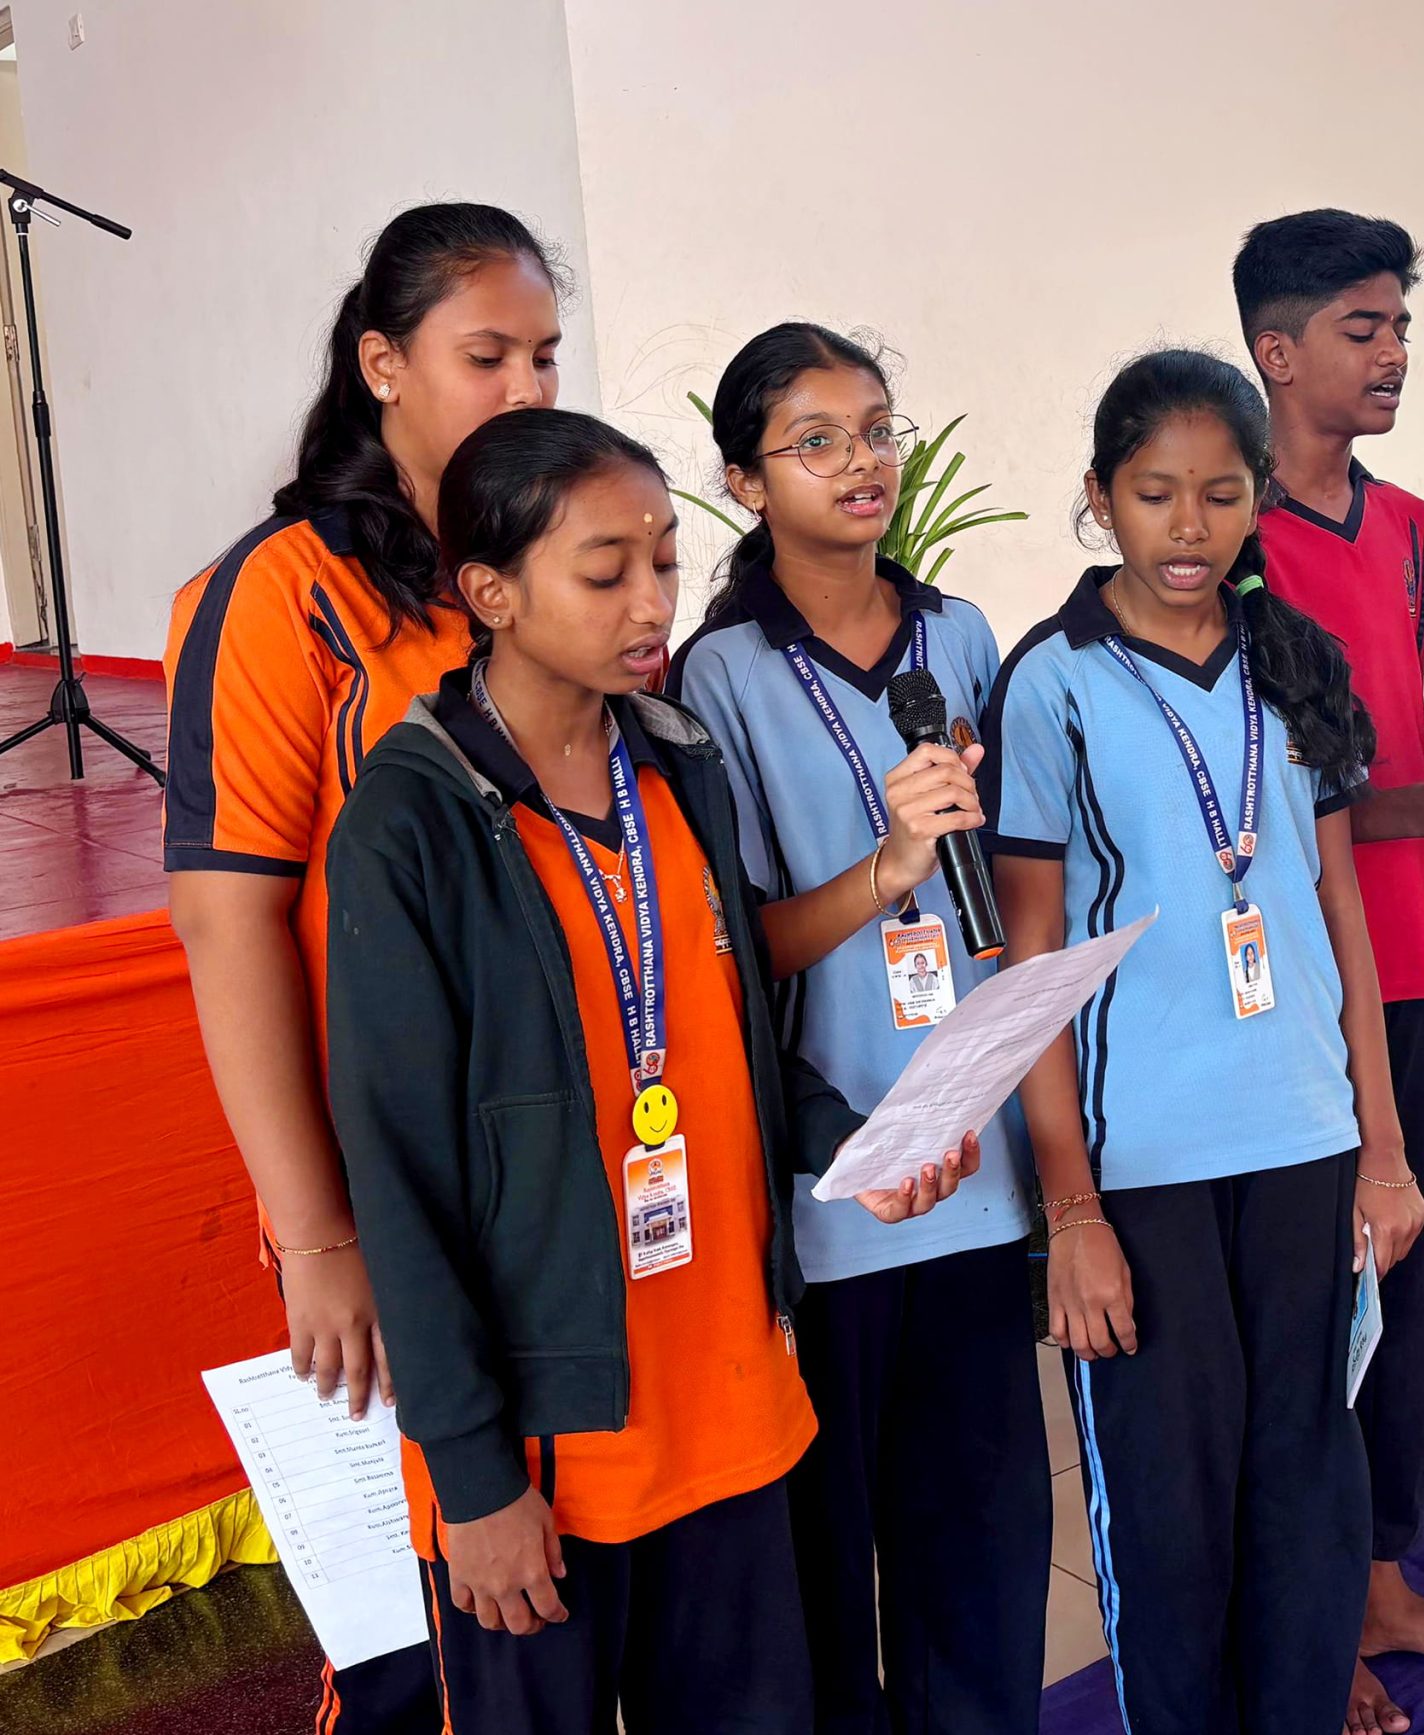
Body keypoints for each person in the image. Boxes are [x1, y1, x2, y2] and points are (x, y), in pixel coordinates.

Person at [326, 409, 967, 1731]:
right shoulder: (412, 819)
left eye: (666, 561)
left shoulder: (674, 763)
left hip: (731, 1400)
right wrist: (474, 1476)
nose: (652, 601)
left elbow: (727, 1031)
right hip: (554, 1444)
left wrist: (849, 1145)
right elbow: (399, 1173)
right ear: (491, 592)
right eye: (606, 570)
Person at [162, 201, 566, 1731]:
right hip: (392, 1182)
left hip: (553, 1156)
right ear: (384, 364)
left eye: (546, 355)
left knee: (554, 1590)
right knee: (430, 1625)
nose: (527, 388)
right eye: (488, 355)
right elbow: (228, 919)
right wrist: (320, 1232)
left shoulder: (526, 568)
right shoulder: (284, 592)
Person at [982, 348, 1424, 1735]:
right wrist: (1072, 1210)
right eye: (1155, 493)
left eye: (1221, 495)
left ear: (1257, 500)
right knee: (1169, 1507)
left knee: (1306, 1477)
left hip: (1304, 1131)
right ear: (1101, 495)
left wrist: (1382, 1146)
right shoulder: (1052, 682)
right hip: (1144, 1163)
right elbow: (1031, 960)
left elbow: (1339, 914)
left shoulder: (1296, 664)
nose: (1189, 527)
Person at [669, 322, 1048, 1734]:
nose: (861, 463)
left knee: (984, 1541)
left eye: (878, 430)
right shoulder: (717, 677)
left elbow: (1014, 878)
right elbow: (738, 948)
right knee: (833, 1554)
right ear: (745, 480)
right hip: (839, 1174)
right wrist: (889, 868)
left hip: (976, 1147)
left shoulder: (961, 635)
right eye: (816, 440)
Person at [1234, 207, 1424, 1733]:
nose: (1396, 354)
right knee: (1318, 1306)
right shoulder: (1226, 536)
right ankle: (1308, 1604)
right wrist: (1422, 813)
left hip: (1420, 953)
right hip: (1299, 976)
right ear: (1275, 350)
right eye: (1362, 329)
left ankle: (1379, 1577)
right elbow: (1271, 793)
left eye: (1402, 326)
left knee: (1417, 1297)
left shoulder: (1408, 517)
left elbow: (1406, 742)